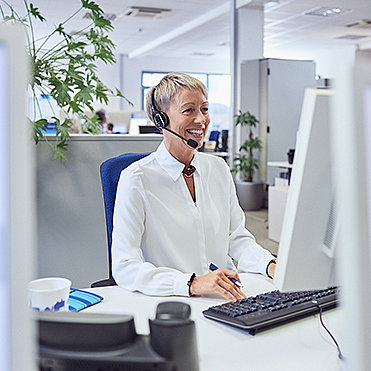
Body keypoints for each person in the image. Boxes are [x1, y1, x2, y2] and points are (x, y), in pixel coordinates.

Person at [111, 72, 276, 301]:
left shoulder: (218, 168)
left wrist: (270, 264)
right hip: (172, 302)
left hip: (225, 297)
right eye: (189, 110)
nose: (201, 120)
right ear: (161, 119)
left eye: (205, 109)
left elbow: (236, 238)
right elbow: (124, 266)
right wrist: (191, 283)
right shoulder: (136, 178)